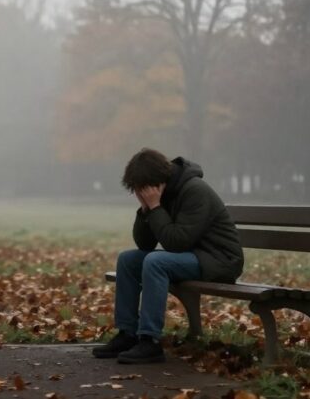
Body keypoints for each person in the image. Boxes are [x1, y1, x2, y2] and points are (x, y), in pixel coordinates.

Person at [92, 148, 243, 364]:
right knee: (128, 260)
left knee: (156, 262)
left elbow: (177, 242)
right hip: (193, 256)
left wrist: (154, 207)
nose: (141, 194)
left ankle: (150, 341)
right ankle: (128, 334)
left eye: (142, 189)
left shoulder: (194, 190)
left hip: (220, 261)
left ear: (156, 182)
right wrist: (145, 210)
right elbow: (145, 243)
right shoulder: (164, 193)